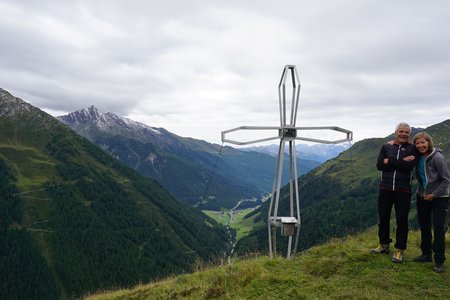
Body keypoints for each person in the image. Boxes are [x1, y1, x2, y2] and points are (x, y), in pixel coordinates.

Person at [371, 122, 418, 263]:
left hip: (403, 190)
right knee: (383, 217)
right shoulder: (386, 146)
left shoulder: (412, 148)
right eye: (401, 131)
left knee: (402, 220)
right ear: (395, 132)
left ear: (409, 134)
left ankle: (399, 250)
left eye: (406, 132)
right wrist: (401, 161)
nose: (403, 134)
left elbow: (409, 167)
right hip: (385, 188)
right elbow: (379, 165)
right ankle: (384, 245)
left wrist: (390, 161)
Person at [411, 132, 449, 273]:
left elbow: (446, 180)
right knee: (424, 225)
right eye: (417, 143)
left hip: (439, 197)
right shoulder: (418, 157)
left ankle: (439, 260)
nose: (420, 145)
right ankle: (426, 254)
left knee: (438, 228)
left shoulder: (437, 157)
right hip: (422, 196)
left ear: (428, 142)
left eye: (423, 142)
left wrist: (434, 194)